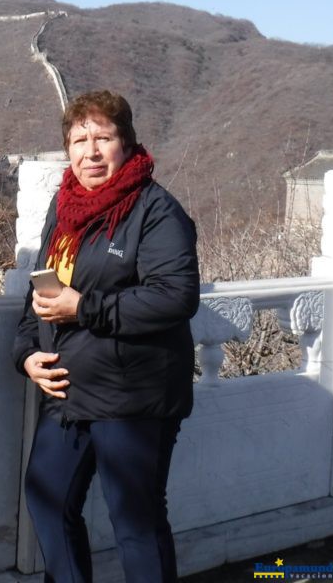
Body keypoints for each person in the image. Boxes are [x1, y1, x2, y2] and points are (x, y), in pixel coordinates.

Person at [12, 90, 199, 583]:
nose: (90, 151)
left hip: (134, 392)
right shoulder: (65, 205)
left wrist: (85, 307)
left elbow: (175, 296)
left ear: (127, 144)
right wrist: (26, 353)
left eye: (103, 137)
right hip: (70, 388)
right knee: (47, 498)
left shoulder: (155, 210)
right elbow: (40, 288)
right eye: (79, 139)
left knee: (135, 522)